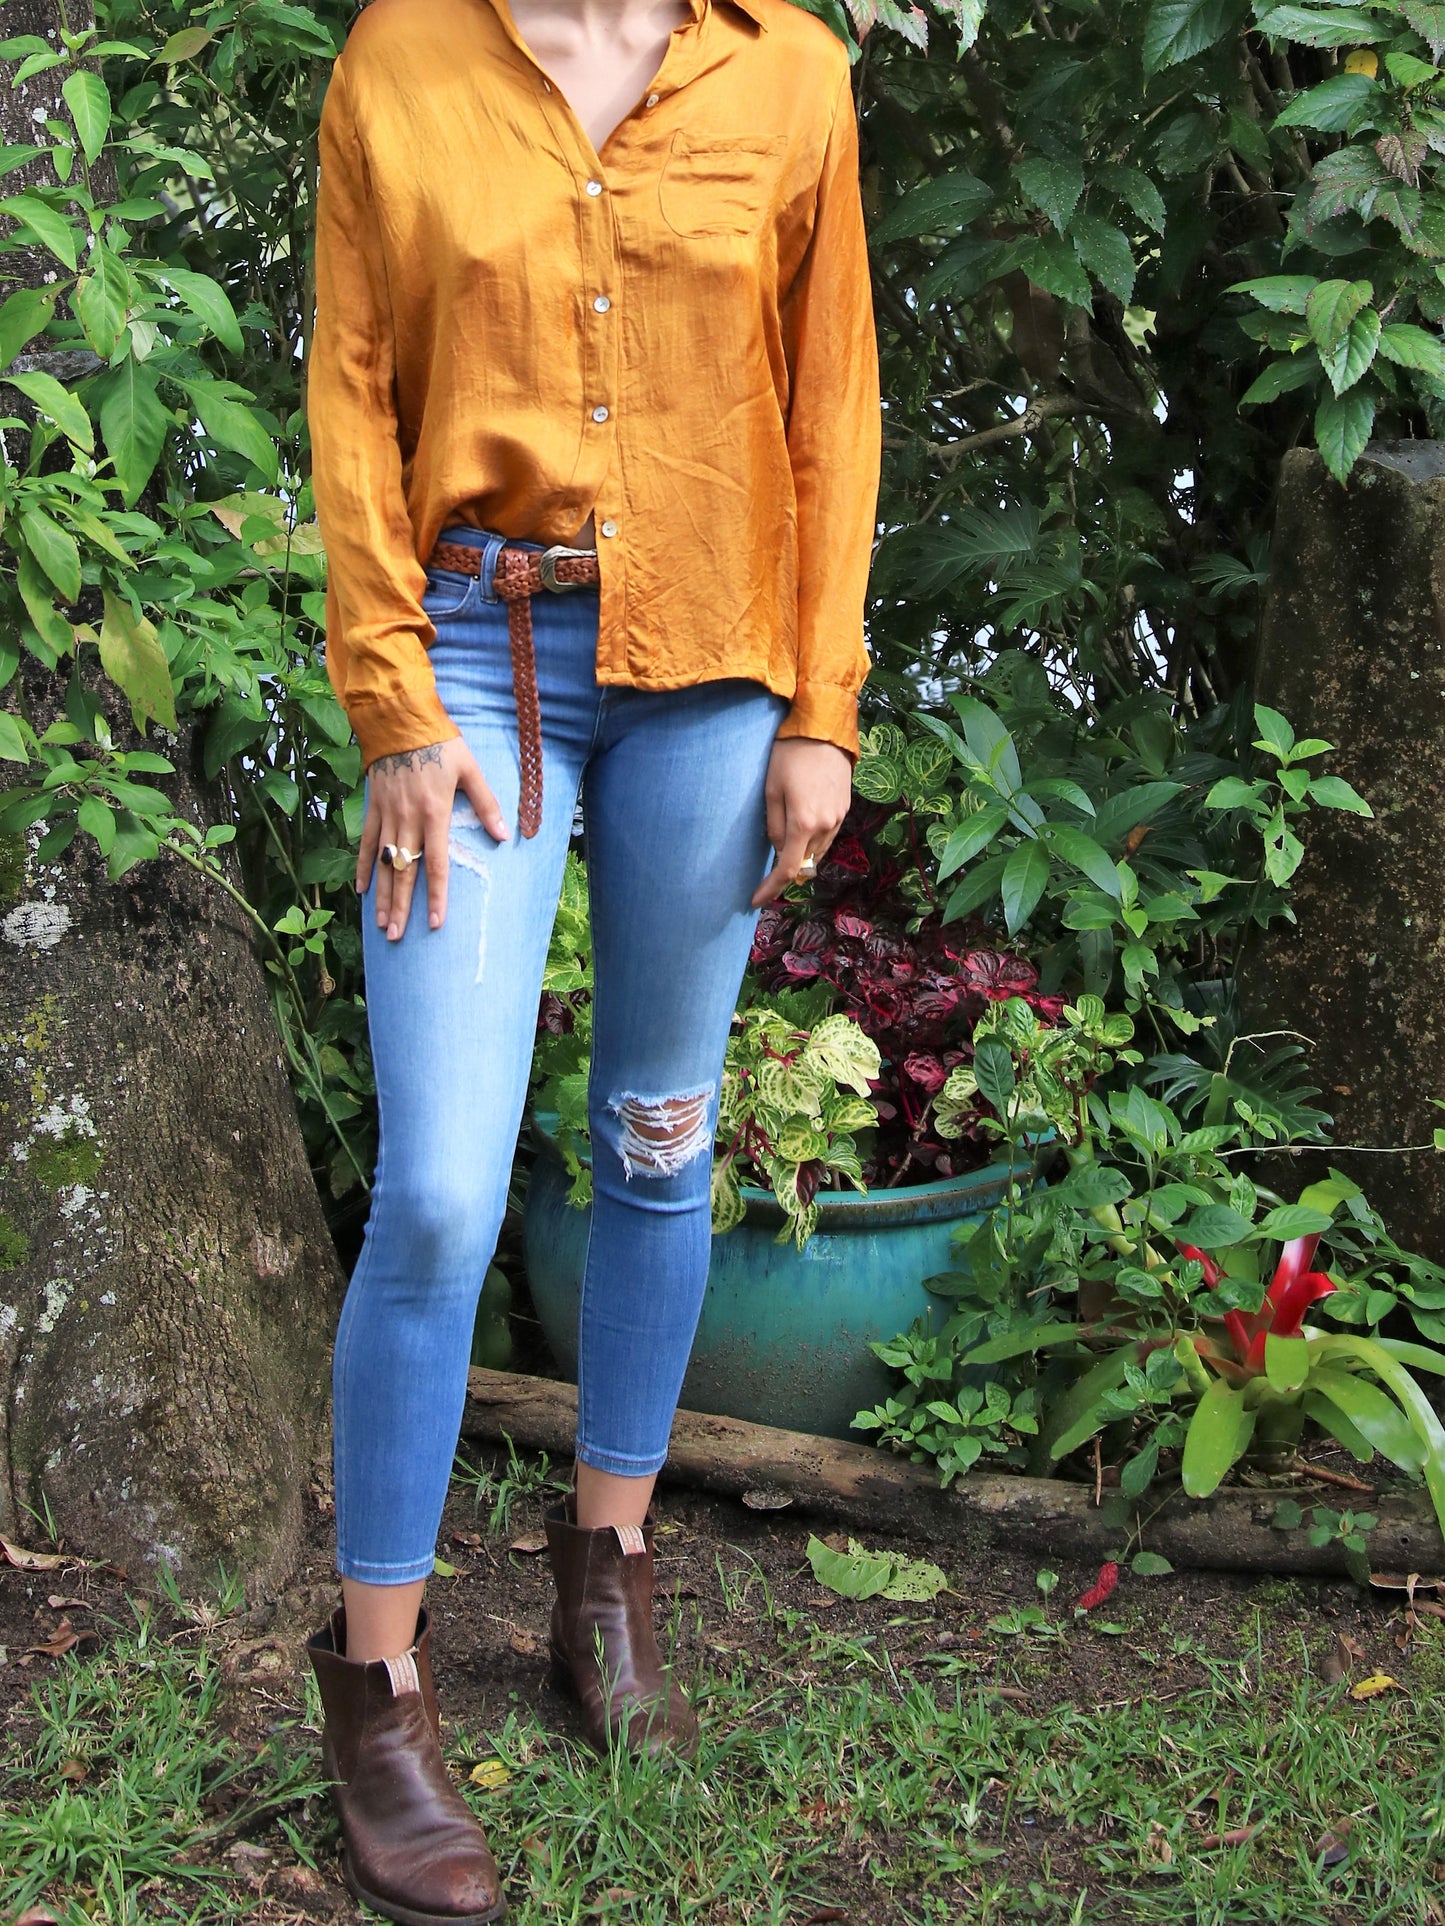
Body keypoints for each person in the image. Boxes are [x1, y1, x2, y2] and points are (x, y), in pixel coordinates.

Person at [304, 0, 880, 1917]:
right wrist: (389, 698)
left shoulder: (788, 68)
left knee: (654, 1132)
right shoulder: (401, 55)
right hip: (473, 660)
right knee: (446, 1189)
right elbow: (353, 389)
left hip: (717, 669)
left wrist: (826, 708)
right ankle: (375, 1686)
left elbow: (835, 397)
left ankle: (603, 1570)